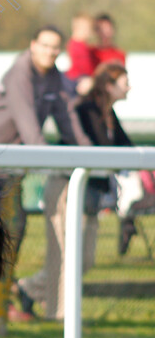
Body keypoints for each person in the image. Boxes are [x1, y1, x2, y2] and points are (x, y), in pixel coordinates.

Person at [0, 25, 91, 325]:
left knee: (12, 231)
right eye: (46, 46)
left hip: (9, 167)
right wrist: (46, 156)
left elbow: (67, 120)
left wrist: (92, 153)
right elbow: (28, 126)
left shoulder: (53, 77)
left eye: (56, 48)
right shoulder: (21, 73)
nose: (51, 52)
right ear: (33, 45)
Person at [15, 62, 131, 320]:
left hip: (89, 194)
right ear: (110, 85)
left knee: (85, 259)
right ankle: (60, 316)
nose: (130, 87)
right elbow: (95, 146)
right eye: (125, 82)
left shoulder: (109, 115)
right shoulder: (86, 109)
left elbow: (126, 149)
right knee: (65, 256)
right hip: (66, 187)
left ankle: (29, 288)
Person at [64, 13, 96, 95]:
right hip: (77, 81)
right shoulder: (75, 45)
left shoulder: (84, 46)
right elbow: (81, 66)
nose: (89, 32)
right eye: (87, 29)